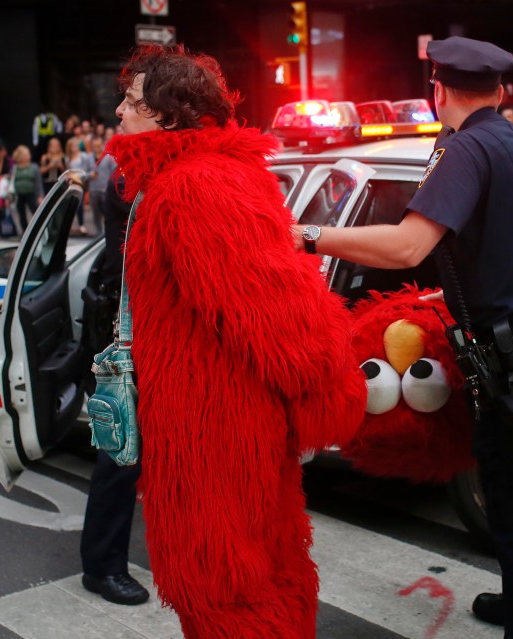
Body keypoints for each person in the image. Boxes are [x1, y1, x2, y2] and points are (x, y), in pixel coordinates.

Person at [294, 36, 513, 639]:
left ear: (438, 89)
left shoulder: (465, 151)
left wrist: (309, 237)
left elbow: (408, 246)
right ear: (501, 91)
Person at [104, 44, 365, 638]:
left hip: (217, 433)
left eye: (132, 101)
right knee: (246, 579)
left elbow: (276, 314)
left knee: (229, 589)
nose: (120, 112)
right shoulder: (188, 179)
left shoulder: (195, 186)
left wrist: (327, 390)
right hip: (212, 425)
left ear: (169, 115)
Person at [78, 166, 149, 607]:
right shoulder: (129, 177)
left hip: (163, 336)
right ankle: (102, 566)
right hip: (128, 335)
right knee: (120, 452)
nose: (121, 112)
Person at [9, 145, 44, 234]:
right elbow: (11, 181)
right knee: (21, 215)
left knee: (35, 213)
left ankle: (39, 231)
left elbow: (38, 183)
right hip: (19, 195)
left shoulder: (34, 167)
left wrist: (40, 195)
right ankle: (24, 233)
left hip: (31, 194)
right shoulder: (15, 168)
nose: (29, 156)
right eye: (26, 154)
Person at [66, 136, 95, 235]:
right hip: (71, 184)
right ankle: (69, 225)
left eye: (76, 145)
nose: (74, 148)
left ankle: (82, 225)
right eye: (72, 146)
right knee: (71, 205)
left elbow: (91, 170)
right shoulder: (68, 158)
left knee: (79, 204)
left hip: (81, 182)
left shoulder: (84, 156)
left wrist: (82, 176)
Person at [90, 138, 116, 235]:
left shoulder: (108, 157)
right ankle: (98, 232)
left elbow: (114, 171)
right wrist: (90, 175)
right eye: (94, 146)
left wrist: (109, 184)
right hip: (93, 189)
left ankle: (107, 232)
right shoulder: (89, 157)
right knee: (96, 213)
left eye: (98, 145)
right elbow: (85, 171)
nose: (96, 148)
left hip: (105, 189)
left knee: (107, 212)